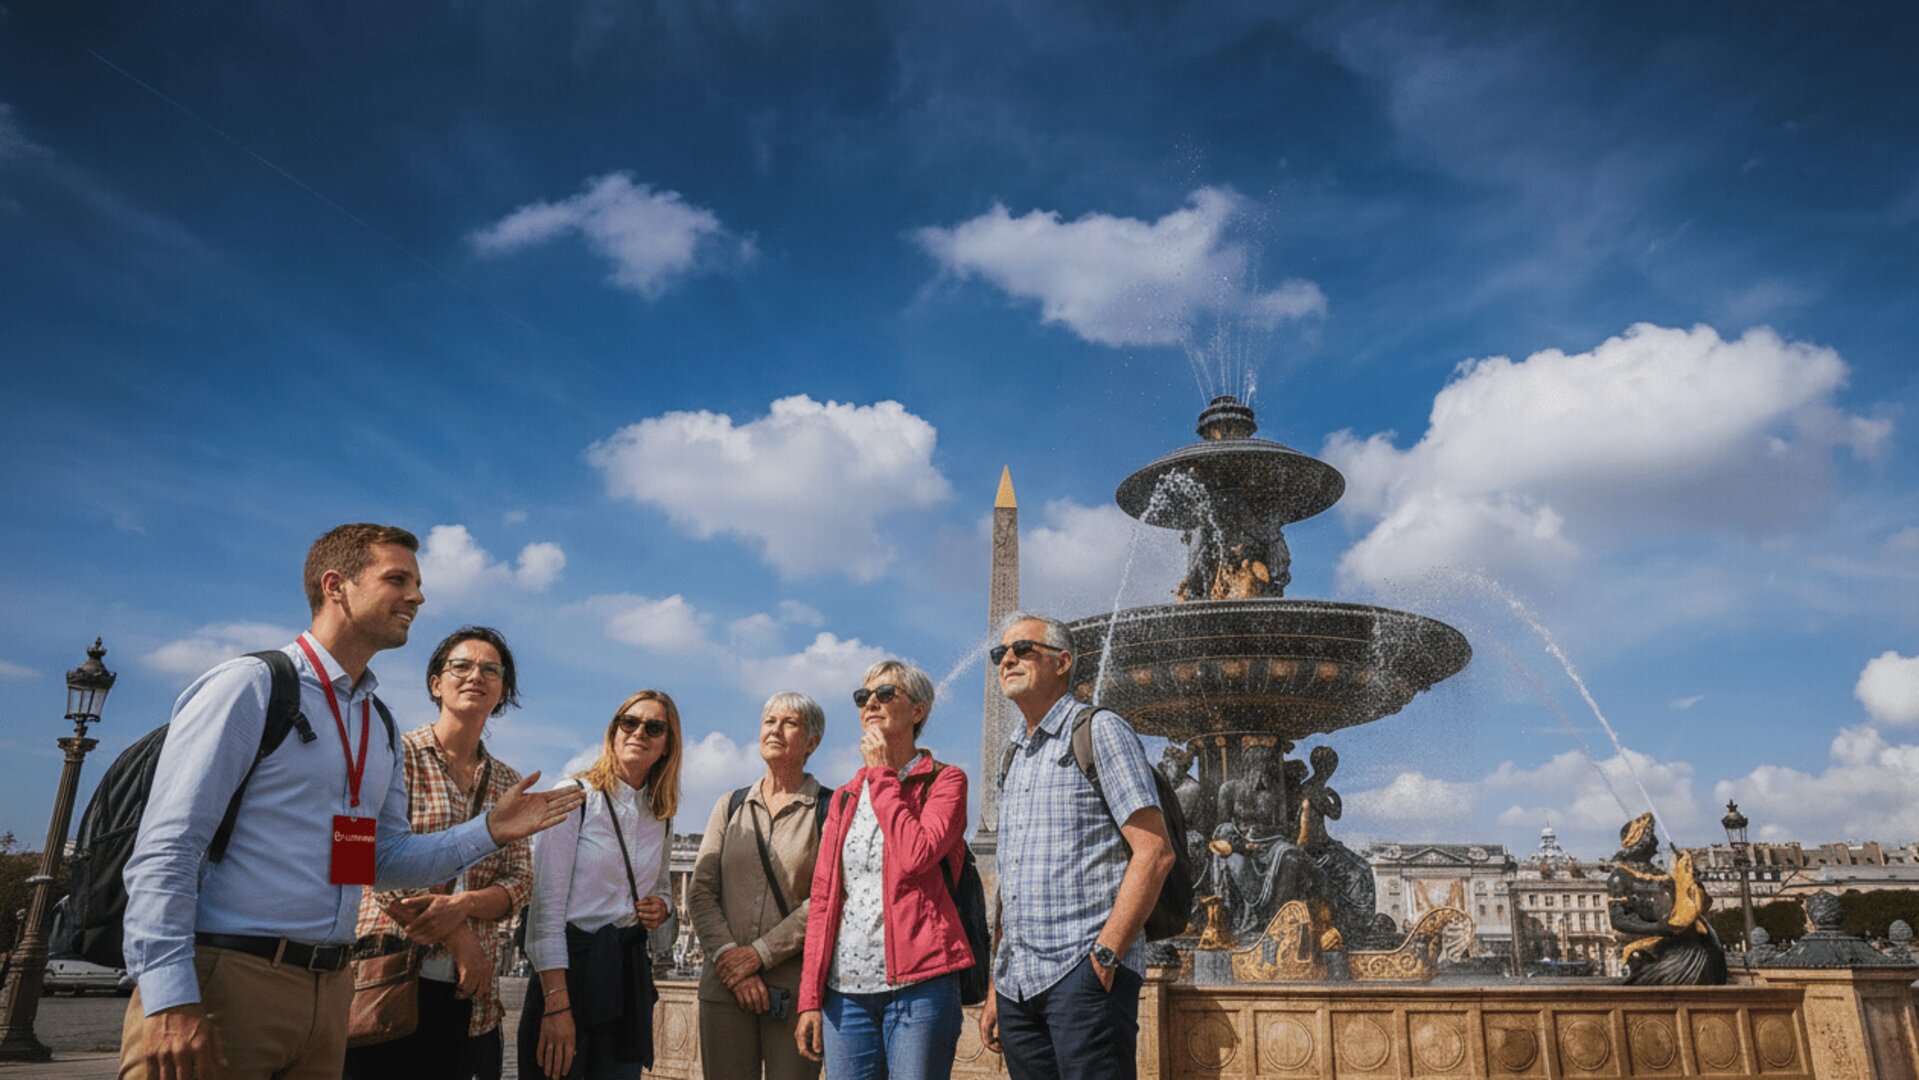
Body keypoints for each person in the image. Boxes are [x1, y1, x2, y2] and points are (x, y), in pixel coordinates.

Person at [119, 523, 585, 1080]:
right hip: (233, 976)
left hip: (330, 990)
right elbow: (169, 848)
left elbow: (374, 862)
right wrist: (169, 999)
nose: (418, 596)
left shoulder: (373, 722)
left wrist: (489, 829)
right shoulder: (253, 686)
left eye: (416, 582)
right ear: (336, 585)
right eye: (398, 579)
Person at [982, 613, 1175, 1080]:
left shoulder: (1099, 730)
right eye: (999, 654)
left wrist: (1104, 957)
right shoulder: (1013, 752)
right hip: (1017, 984)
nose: (1007, 658)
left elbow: (1155, 851)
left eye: (1024, 649)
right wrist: (996, 983)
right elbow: (1012, 880)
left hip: (1082, 971)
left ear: (1063, 662)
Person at [344, 626, 536, 1080]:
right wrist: (459, 937)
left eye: (491, 670)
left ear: (502, 690)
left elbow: (521, 880)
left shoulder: (509, 781)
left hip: (473, 997)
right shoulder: (390, 753)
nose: (476, 676)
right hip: (385, 980)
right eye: (461, 666)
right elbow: (356, 857)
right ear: (436, 683)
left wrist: (465, 905)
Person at [795, 661, 972, 1080]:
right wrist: (809, 997)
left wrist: (882, 775)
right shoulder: (843, 798)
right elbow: (823, 900)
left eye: (886, 694)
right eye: (863, 697)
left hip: (921, 984)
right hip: (846, 994)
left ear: (919, 711)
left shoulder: (946, 781)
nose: (871, 702)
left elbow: (917, 854)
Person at [520, 690, 683, 1080]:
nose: (639, 732)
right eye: (629, 722)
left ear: (666, 747)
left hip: (624, 977)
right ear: (613, 731)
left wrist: (662, 905)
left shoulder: (661, 814)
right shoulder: (573, 796)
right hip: (569, 972)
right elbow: (545, 913)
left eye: (654, 727)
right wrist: (557, 1006)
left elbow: (660, 886)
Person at [688, 692, 829, 1080]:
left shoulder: (829, 809)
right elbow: (700, 891)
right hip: (724, 983)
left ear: (812, 742)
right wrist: (732, 959)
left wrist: (760, 955)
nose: (775, 730)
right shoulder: (729, 805)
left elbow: (825, 900)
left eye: (789, 723)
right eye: (769, 721)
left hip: (794, 990)